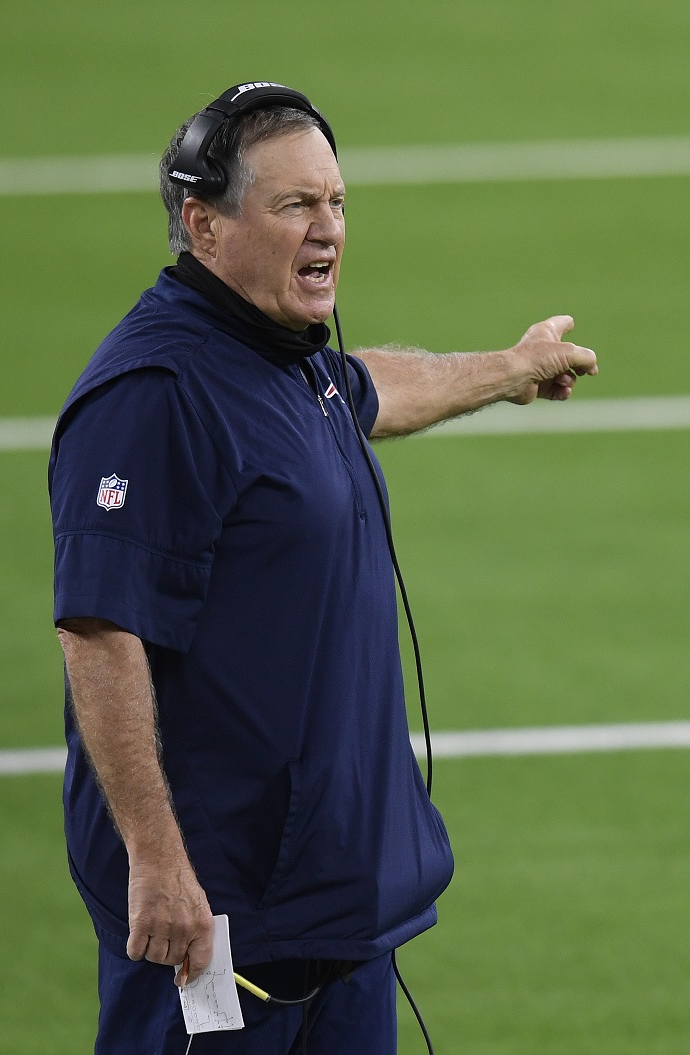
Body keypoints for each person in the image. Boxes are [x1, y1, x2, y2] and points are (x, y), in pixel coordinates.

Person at [49, 84, 597, 1054]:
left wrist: (506, 370)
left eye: (337, 202)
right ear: (202, 222)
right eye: (295, 204)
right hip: (218, 922)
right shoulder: (158, 392)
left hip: (335, 914)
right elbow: (98, 630)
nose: (329, 229)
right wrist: (158, 861)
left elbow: (375, 387)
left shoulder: (287, 363)